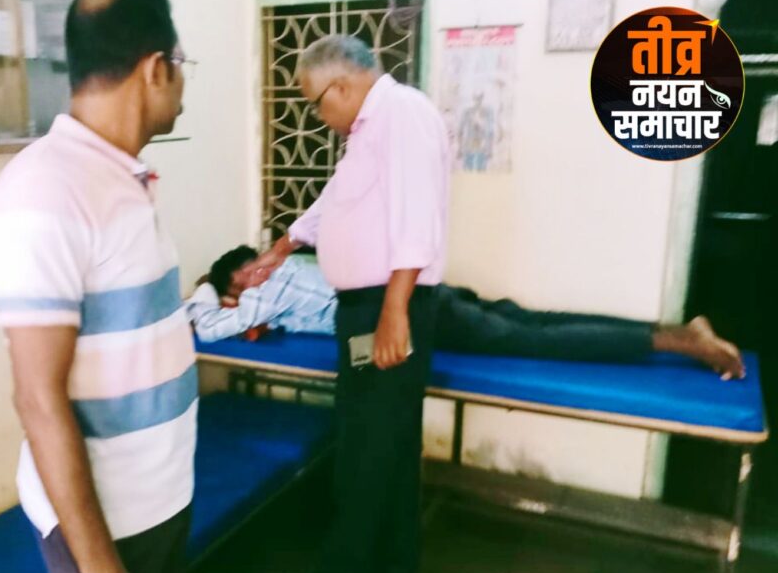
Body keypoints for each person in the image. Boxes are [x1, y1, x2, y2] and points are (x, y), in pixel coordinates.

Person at [0, 0, 196, 573]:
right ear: (155, 69)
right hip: (105, 529)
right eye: (182, 65)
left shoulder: (121, 177)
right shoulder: (45, 192)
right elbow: (37, 396)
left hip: (158, 501)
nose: (183, 82)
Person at [240, 35, 450, 573]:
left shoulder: (400, 113)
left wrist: (393, 313)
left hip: (386, 305)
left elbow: (416, 218)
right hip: (371, 306)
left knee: (363, 451)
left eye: (315, 103)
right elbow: (336, 202)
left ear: (340, 86)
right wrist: (281, 247)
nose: (317, 116)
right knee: (390, 446)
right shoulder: (368, 131)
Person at [187, 246, 746, 379]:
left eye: (236, 286)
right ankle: (676, 332)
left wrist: (208, 294)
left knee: (538, 343)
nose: (242, 295)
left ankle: (679, 342)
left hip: (416, 321)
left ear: (244, 274)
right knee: (536, 322)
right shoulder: (298, 261)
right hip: (433, 295)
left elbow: (209, 328)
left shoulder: (265, 285)